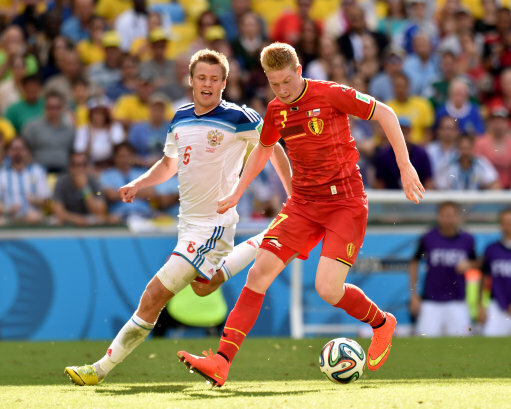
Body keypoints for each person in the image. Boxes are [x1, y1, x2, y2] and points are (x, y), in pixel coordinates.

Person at [177, 42, 425, 387]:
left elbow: (385, 113)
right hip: (303, 204)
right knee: (258, 275)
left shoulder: (330, 94)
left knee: (327, 287)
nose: (282, 90)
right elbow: (263, 150)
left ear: (299, 71)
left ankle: (382, 323)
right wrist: (236, 192)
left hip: (345, 204)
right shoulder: (276, 110)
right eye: (274, 84)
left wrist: (405, 166)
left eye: (286, 82)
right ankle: (221, 361)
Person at [64, 48, 292, 386]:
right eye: (201, 77)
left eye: (215, 79)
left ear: (224, 83)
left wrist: (294, 195)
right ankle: (267, 239)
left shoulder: (240, 118)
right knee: (205, 286)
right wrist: (140, 183)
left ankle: (98, 370)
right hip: (187, 226)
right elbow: (170, 164)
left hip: (213, 225)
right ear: (190, 80)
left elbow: (272, 147)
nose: (207, 84)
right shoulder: (181, 117)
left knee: (153, 296)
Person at [409, 201, 477, 336]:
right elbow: (414, 263)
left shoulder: (467, 239)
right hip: (431, 301)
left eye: (452, 215)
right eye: (445, 215)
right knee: (424, 343)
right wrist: (414, 294)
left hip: (457, 300)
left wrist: (469, 264)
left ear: (458, 217)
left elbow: (477, 262)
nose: (448, 219)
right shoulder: (429, 238)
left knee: (463, 343)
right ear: (439, 217)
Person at [52, 152, 110, 226]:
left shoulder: (94, 181)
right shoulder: (61, 182)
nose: (79, 169)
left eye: (83, 165)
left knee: (101, 219)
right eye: (76, 165)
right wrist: (77, 219)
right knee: (57, 221)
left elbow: (100, 210)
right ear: (70, 167)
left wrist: (85, 188)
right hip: (68, 220)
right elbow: (58, 211)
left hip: (90, 220)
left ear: (87, 167)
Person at [479, 208, 511, 336]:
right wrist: (481, 305)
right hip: (497, 304)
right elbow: (485, 278)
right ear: (500, 225)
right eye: (506, 222)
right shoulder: (492, 249)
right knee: (490, 344)